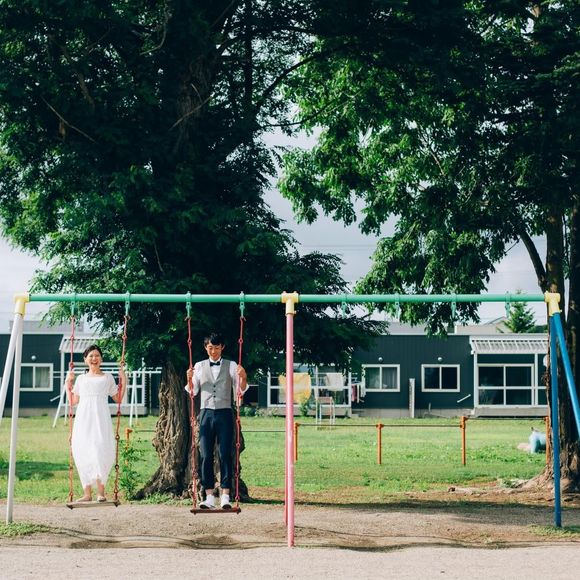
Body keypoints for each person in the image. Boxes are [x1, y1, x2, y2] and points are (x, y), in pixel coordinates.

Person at [186, 331, 248, 509]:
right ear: (206, 348)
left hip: (225, 413)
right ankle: (208, 496)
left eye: (217, 348)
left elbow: (240, 390)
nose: (213, 352)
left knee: (225, 454)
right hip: (206, 414)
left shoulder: (231, 365)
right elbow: (192, 391)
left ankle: (226, 495)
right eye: (210, 348)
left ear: (222, 348)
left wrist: (243, 376)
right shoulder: (199, 366)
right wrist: (188, 378)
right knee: (206, 455)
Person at [66, 344, 126, 503]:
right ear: (85, 360)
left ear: (101, 359)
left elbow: (118, 398)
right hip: (83, 419)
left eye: (97, 355)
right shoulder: (81, 379)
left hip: (101, 418)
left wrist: (123, 379)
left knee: (100, 450)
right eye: (91, 356)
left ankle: (101, 492)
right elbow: (73, 401)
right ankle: (87, 493)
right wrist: (68, 383)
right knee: (83, 450)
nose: (94, 358)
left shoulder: (107, 377)